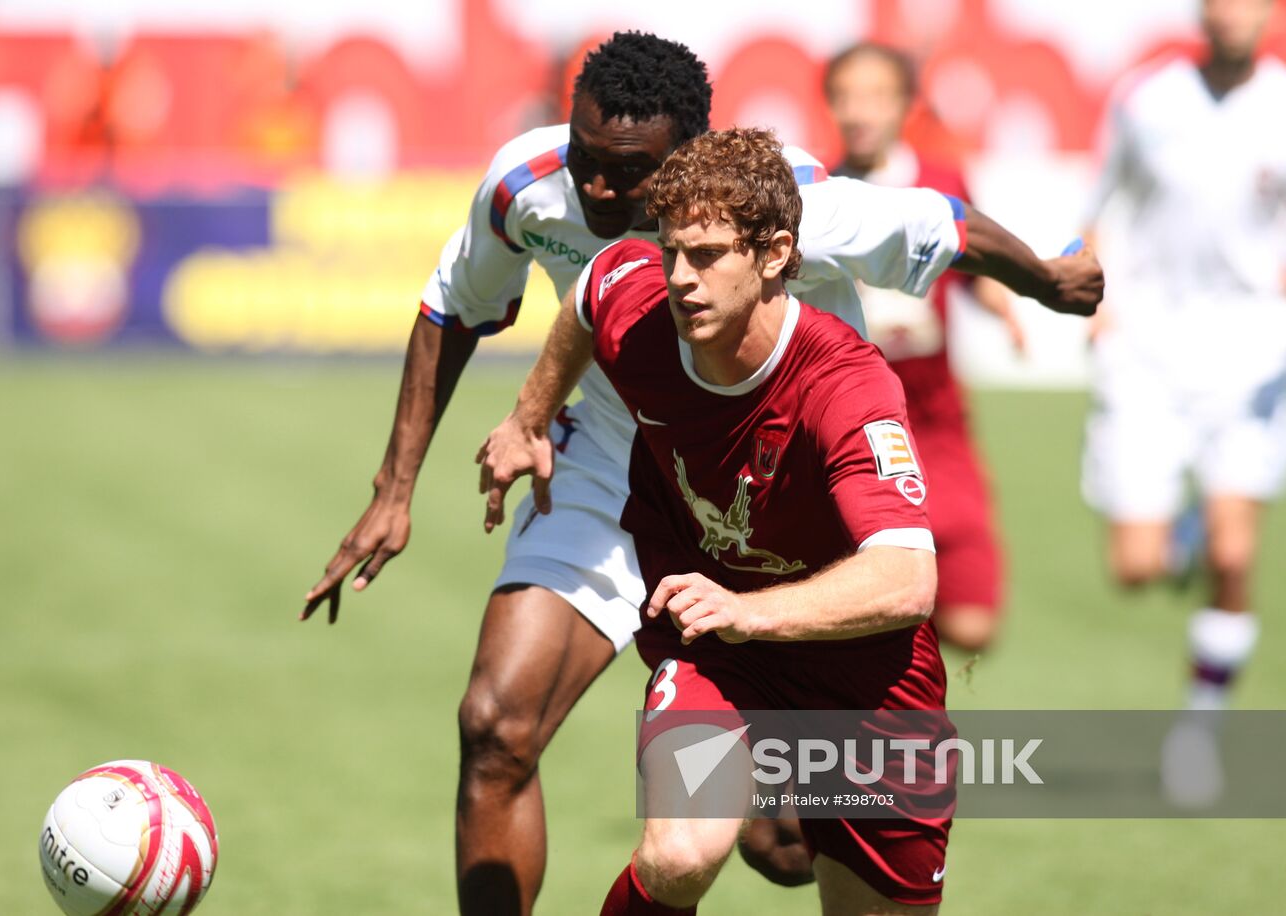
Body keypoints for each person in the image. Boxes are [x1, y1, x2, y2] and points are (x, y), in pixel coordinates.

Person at [302, 31, 1098, 912]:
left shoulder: (776, 201)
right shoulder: (529, 185)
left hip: (780, 500)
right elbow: (476, 303)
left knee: (787, 848)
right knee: (496, 726)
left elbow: (944, 225)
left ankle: (765, 776)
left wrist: (1047, 281)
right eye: (585, 158)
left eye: (627, 172)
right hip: (611, 466)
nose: (598, 189)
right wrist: (417, 478)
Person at [477, 128, 1103, 914]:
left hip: (868, 675)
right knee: (678, 852)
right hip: (718, 654)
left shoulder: (847, 387)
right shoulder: (643, 305)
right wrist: (529, 418)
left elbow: (907, 578)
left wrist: (749, 610)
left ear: (775, 254)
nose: (679, 278)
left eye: (707, 256)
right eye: (672, 250)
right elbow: (591, 294)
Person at [1081, 0, 1286, 802]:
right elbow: (1094, 210)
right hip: (1150, 358)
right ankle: (1189, 529)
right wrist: (1100, 308)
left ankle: (1198, 733)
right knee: (1137, 567)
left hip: (1253, 356)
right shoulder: (1147, 98)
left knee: (1236, 559)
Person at [824, 42, 1021, 652]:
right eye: (846, 96)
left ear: (905, 105)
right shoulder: (820, 193)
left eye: (876, 96)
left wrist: (1004, 303)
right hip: (853, 425)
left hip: (936, 420)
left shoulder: (939, 184)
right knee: (870, 613)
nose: (860, 112)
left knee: (973, 627)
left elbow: (973, 262)